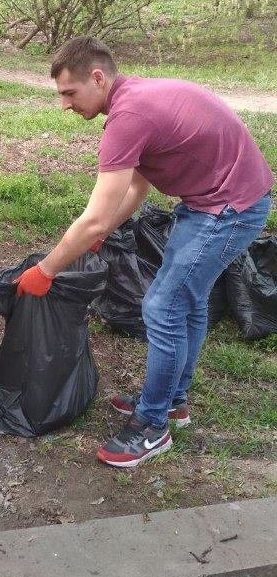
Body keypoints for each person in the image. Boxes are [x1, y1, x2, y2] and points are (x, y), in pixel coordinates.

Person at [15, 37, 273, 467]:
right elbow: (137, 188)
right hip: (210, 201)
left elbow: (93, 218)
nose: (64, 104)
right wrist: (103, 233)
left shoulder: (128, 117)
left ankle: (153, 426)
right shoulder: (131, 101)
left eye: (69, 92)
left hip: (231, 207)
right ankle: (172, 401)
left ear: (98, 78)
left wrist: (46, 269)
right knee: (185, 301)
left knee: (162, 306)